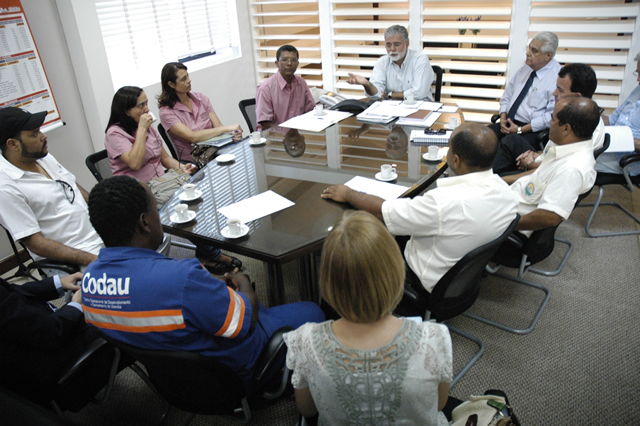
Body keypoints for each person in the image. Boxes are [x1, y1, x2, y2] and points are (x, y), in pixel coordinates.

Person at [82, 176, 325, 391]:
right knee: (313, 311)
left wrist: (210, 291)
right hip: (233, 372)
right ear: (144, 222)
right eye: (156, 209)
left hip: (174, 383)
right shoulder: (181, 278)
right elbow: (246, 321)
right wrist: (245, 284)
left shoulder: (89, 283)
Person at [283, 211, 452, 425]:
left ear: (327, 280)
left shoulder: (304, 342)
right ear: (395, 271)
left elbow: (307, 410)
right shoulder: (434, 338)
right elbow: (439, 404)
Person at [321, 123, 518, 295]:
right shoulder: (508, 195)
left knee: (354, 246)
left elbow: (382, 212)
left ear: (456, 160)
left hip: (421, 283)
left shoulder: (441, 203)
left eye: (448, 148)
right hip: (460, 278)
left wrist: (348, 194)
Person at [105, 86, 241, 274]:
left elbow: (166, 159)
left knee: (200, 196)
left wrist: (181, 168)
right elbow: (135, 163)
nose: (146, 109)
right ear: (126, 110)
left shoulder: (148, 127)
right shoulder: (115, 133)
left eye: (146, 103)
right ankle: (213, 255)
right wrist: (143, 130)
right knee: (185, 212)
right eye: (140, 105)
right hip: (137, 194)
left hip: (163, 183)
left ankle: (206, 254)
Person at [0, 107, 103, 268]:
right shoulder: (6, 187)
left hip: (103, 237)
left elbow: (72, 187)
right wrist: (91, 259)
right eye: (34, 133)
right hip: (79, 257)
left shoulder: (42, 157)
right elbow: (36, 243)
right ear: (13, 144)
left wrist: (108, 214)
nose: (43, 136)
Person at [0, 273, 117, 409]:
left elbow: (12, 292)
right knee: (124, 316)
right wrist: (75, 305)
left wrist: (57, 283)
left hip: (42, 333)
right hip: (49, 366)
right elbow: (52, 333)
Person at [507, 96, 599, 236]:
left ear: (566, 129)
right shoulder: (565, 146)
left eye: (553, 119)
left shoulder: (571, 169)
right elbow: (538, 175)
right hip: (509, 201)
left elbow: (549, 216)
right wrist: (501, 181)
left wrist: (502, 227)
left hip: (509, 223)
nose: (550, 123)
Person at [494, 63, 604, 175]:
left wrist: (529, 164)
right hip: (544, 160)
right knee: (511, 140)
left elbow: (559, 166)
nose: (554, 93)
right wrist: (537, 154)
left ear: (577, 96)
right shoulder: (570, 114)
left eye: (560, 90)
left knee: (506, 157)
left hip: (545, 173)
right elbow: (553, 152)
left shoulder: (589, 127)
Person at [158, 62, 243, 162]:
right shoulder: (166, 112)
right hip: (194, 161)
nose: (189, 81)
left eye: (188, 76)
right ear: (171, 84)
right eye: (183, 79)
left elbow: (218, 126)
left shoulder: (200, 98)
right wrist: (227, 128)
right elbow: (193, 137)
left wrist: (232, 134)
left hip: (215, 152)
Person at [488, 32, 561, 145]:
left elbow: (550, 117)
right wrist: (503, 117)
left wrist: (519, 130)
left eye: (534, 51)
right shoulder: (526, 69)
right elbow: (507, 95)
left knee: (504, 147)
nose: (528, 53)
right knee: (479, 138)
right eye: (529, 48)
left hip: (531, 130)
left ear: (548, 55)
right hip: (508, 122)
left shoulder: (556, 78)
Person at [346, 25, 434, 102]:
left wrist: (390, 94)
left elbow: (418, 94)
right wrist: (367, 84)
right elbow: (376, 94)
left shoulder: (420, 60)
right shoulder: (382, 62)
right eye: (388, 45)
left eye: (397, 44)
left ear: (407, 43)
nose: (392, 49)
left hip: (421, 109)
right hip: (393, 110)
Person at [596, 52, 640, 177]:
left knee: (575, 161)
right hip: (610, 146)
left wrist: (622, 139)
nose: (638, 79)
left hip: (629, 160)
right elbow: (611, 120)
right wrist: (588, 115)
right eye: (637, 73)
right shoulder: (637, 91)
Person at [255, 45, 316, 131]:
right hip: (274, 139)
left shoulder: (301, 83)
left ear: (297, 64)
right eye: (284, 60)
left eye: (293, 60)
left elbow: (311, 112)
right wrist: (287, 135)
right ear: (277, 63)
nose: (289, 63)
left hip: (297, 137)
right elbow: (265, 124)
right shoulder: (266, 88)